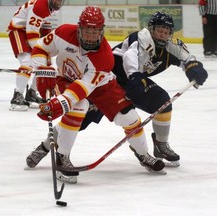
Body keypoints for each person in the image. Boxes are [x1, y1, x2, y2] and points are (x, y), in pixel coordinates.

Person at [26, 6, 166, 184]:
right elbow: (40, 48)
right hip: (66, 79)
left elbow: (83, 88)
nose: (91, 37)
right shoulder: (63, 33)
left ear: (102, 31)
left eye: (95, 32)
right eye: (87, 31)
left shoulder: (104, 57)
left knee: (130, 118)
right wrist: (42, 69)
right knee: (78, 107)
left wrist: (58, 104)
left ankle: (144, 155)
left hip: (101, 85)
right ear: (79, 28)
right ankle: (62, 158)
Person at [80, 11, 208, 167]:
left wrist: (193, 68)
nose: (162, 35)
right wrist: (134, 77)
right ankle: (52, 146)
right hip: (109, 79)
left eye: (166, 32)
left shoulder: (171, 46)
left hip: (135, 81)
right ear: (151, 30)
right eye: (159, 31)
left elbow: (187, 59)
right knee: (83, 116)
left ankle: (161, 145)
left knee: (162, 102)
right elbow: (129, 57)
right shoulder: (141, 39)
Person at [7, 0, 64, 111]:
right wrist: (41, 50)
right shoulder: (41, 6)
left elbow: (45, 29)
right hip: (18, 30)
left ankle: (32, 93)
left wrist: (47, 50)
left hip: (30, 31)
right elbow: (31, 32)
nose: (58, 2)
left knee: (44, 63)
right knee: (27, 62)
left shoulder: (52, 8)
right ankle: (17, 95)